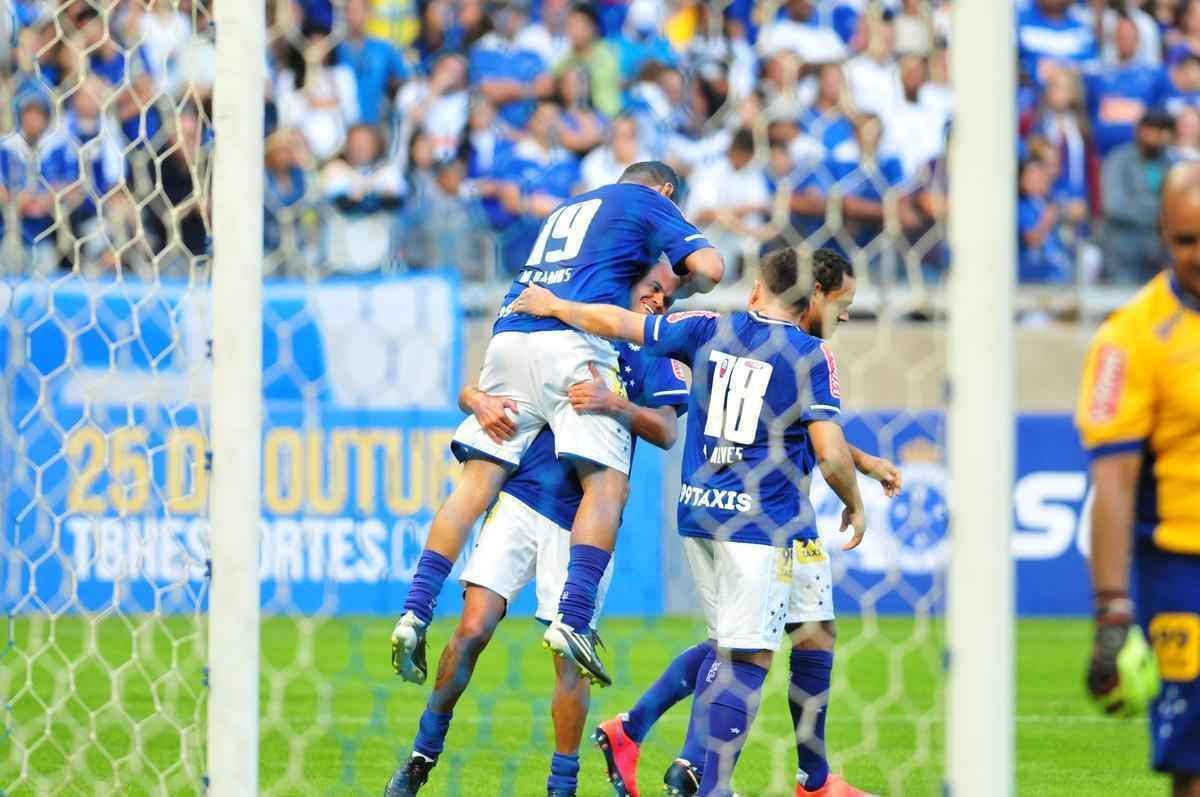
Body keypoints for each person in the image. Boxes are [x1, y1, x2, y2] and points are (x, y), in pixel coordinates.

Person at [510, 246, 868, 797]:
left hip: (702, 511)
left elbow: (621, 322)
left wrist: (556, 304)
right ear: (810, 298)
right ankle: (712, 785)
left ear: (756, 288)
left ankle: (663, 746)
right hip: (762, 522)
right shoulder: (809, 355)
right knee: (746, 657)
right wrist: (855, 500)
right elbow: (828, 453)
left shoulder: (706, 327)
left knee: (779, 636)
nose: (842, 314)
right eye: (839, 303)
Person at [389, 161, 724, 689]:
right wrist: (686, 267)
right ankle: (573, 617)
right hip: (568, 341)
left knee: (474, 487)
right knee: (608, 485)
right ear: (662, 191)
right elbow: (711, 268)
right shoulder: (648, 204)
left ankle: (415, 609)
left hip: (510, 332)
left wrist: (475, 395)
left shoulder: (568, 208)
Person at [383, 263, 689, 797]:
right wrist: (475, 400)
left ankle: (561, 786)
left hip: (584, 522)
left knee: (568, 659)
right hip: (524, 498)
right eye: (653, 288)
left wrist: (614, 402)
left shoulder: (652, 348)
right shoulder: (568, 320)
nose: (660, 300)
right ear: (625, 281)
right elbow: (484, 388)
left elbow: (665, 429)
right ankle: (420, 756)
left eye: (668, 294)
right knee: (473, 628)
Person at [1077, 161, 1200, 797]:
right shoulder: (1130, 338)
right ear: (1162, 233)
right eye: (1186, 240)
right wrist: (1111, 609)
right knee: (1193, 765)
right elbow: (1115, 482)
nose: (1199, 255)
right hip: (1181, 566)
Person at [1100, 109, 1175, 283]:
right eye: (1152, 129)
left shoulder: (1168, 163)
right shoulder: (1118, 160)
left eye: (1162, 131)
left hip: (1157, 256)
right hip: (1122, 253)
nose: (1157, 136)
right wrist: (1158, 213)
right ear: (1140, 130)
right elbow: (1113, 205)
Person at [337, 0, 411, 125]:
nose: (353, 16)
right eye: (349, 11)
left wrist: (393, 87)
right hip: (341, 125)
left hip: (376, 125)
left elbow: (405, 79)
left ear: (368, 14)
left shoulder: (384, 49)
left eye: (358, 11)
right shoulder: (334, 49)